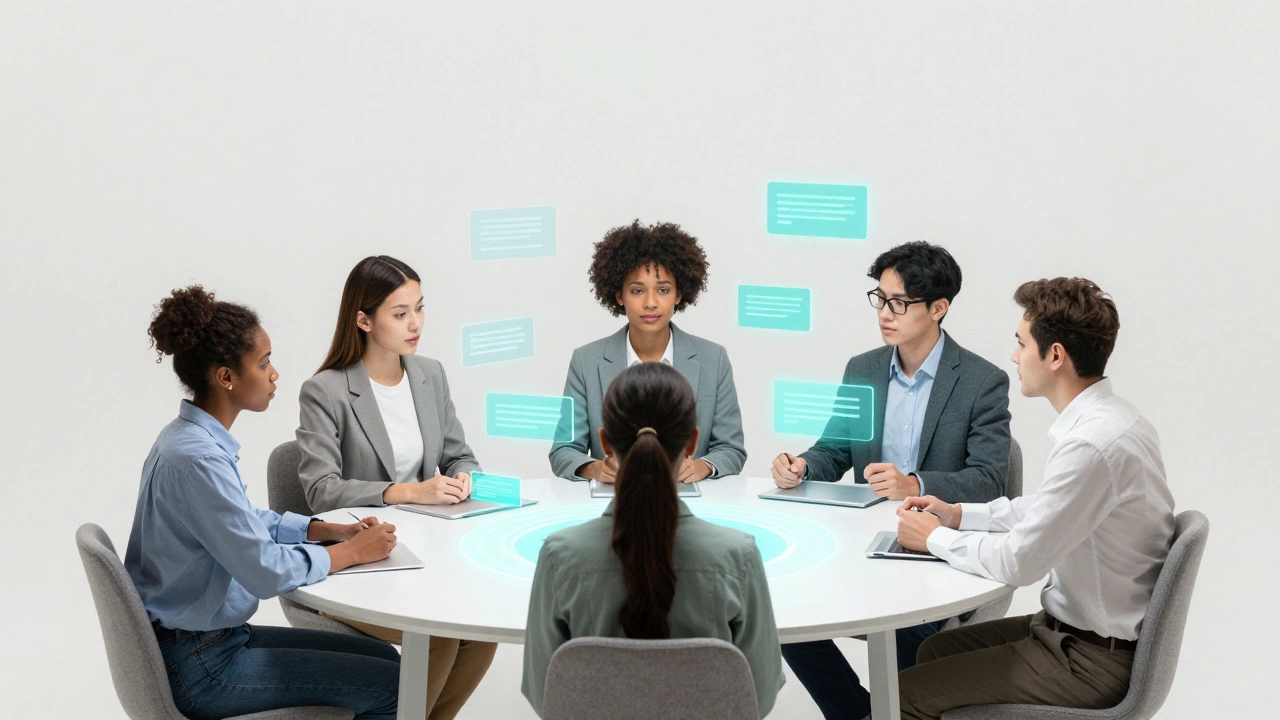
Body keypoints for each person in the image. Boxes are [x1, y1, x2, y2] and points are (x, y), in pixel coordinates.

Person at [894, 278, 1176, 720]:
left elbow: (1020, 563)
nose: (1013, 356)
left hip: (1089, 661)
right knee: (935, 649)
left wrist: (933, 539)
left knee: (903, 694)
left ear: (1056, 355)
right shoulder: (1116, 419)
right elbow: (1046, 508)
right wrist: (957, 514)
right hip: (1069, 634)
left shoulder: (1093, 445)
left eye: (1021, 343)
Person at [126, 285, 401, 720]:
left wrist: (321, 530)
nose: (274, 374)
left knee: (389, 662)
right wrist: (350, 553)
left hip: (214, 641)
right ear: (225, 377)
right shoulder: (197, 458)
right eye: (264, 363)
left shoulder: (188, 440)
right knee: (393, 688)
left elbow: (236, 521)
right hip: (203, 667)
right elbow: (264, 572)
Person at [770, 241, 1012, 720]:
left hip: (932, 549)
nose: (884, 313)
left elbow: (989, 481)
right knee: (784, 615)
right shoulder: (863, 369)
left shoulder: (982, 381)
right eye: (879, 298)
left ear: (939, 308)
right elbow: (834, 450)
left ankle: (900, 712)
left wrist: (915, 484)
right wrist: (800, 466)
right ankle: (860, 713)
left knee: (908, 630)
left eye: (899, 303)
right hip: (859, 548)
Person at [296, 255, 496, 719]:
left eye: (420, 309)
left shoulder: (430, 374)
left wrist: (464, 475)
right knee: (441, 633)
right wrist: (406, 491)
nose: (415, 324)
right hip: (360, 561)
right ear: (363, 320)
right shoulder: (325, 390)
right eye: (400, 313)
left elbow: (458, 453)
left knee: (478, 634)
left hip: (432, 553)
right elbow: (321, 491)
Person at [523, 362, 784, 717]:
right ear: (692, 441)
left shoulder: (559, 557)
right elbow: (759, 695)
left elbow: (546, 695)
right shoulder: (738, 557)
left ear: (604, 443)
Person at [550, 220, 747, 484]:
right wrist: (597, 469)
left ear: (679, 294)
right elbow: (563, 451)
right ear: (619, 295)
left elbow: (732, 449)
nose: (650, 302)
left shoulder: (714, 359)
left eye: (663, 290)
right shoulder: (586, 361)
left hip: (689, 503)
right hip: (614, 503)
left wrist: (701, 467)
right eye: (637, 290)